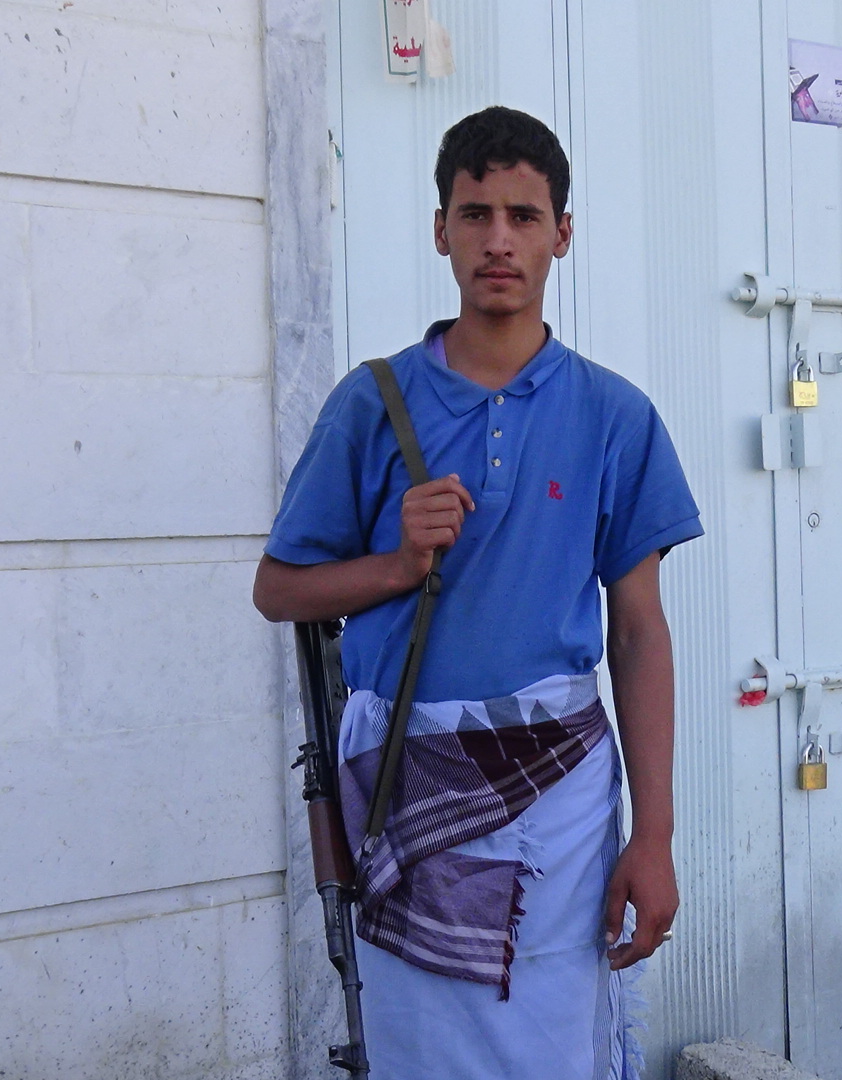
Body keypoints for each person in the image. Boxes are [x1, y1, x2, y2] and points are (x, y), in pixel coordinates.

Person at [252, 106, 702, 1080]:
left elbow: (637, 634)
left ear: (561, 235)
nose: (499, 240)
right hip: (406, 802)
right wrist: (395, 567)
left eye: (524, 217)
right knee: (416, 1046)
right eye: (475, 214)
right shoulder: (371, 403)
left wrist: (655, 835)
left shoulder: (615, 416)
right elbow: (278, 590)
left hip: (561, 807)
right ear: (440, 230)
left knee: (553, 1041)